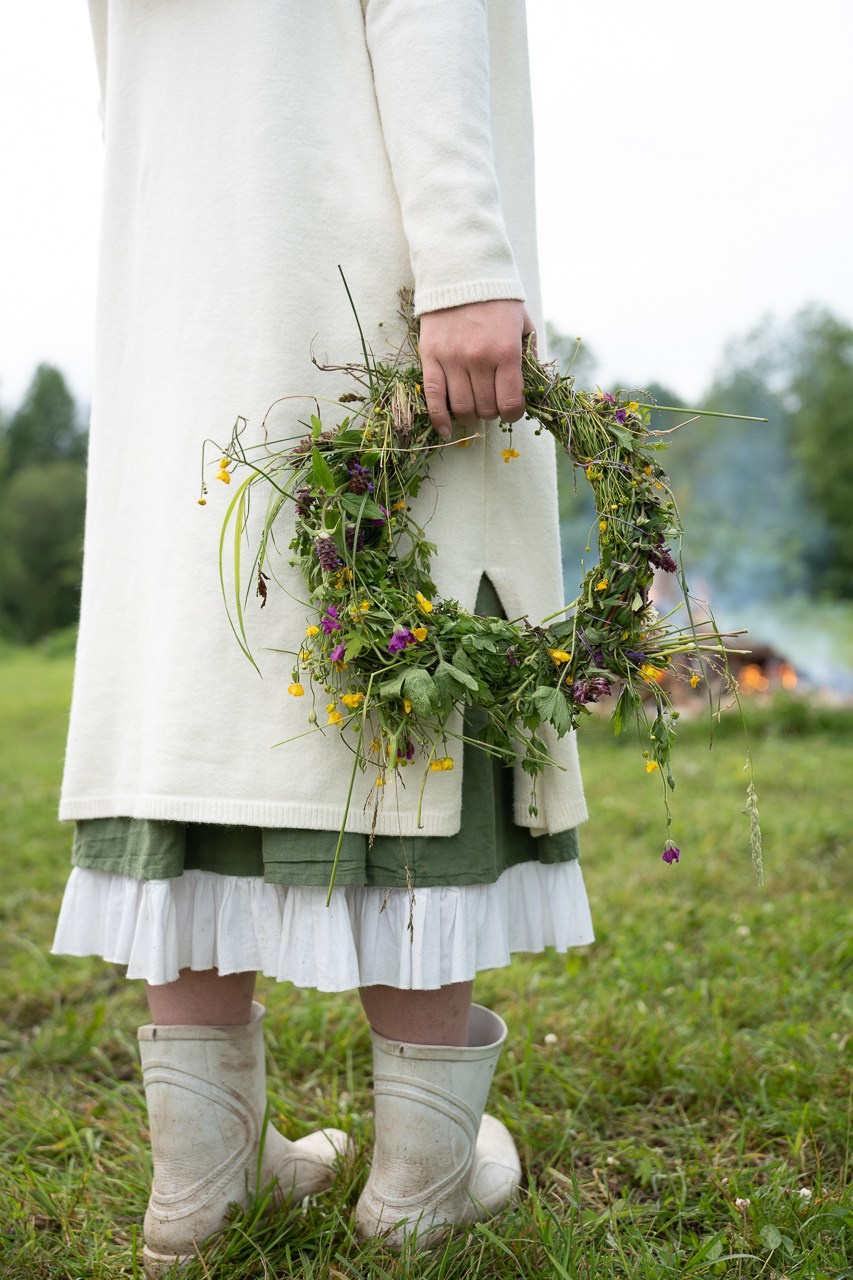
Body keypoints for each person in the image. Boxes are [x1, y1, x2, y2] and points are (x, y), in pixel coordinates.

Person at [52, 0, 594, 1272]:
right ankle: (421, 1183)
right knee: (409, 659)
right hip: (355, 273)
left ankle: (205, 1182)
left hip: (185, 298)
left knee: (206, 687)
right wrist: (464, 264)